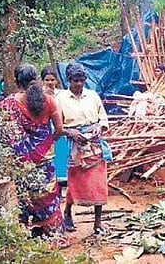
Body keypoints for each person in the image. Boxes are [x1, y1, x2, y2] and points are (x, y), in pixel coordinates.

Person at [0, 63, 67, 241]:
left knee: (26, 195)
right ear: (36, 79)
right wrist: (47, 143)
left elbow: (6, 135)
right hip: (46, 156)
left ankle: (32, 232)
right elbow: (59, 130)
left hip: (22, 160)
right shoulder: (49, 100)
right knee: (48, 193)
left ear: (16, 80)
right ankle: (54, 233)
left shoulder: (8, 104)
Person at [56, 63, 112, 235]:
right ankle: (67, 212)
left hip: (94, 145)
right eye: (75, 81)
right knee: (75, 183)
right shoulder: (61, 99)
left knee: (98, 183)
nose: (79, 84)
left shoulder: (93, 96)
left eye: (82, 81)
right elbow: (57, 126)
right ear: (69, 81)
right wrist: (69, 131)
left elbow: (103, 119)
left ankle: (98, 222)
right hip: (74, 145)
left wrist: (99, 127)